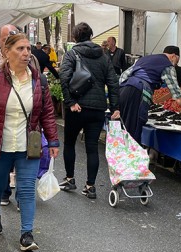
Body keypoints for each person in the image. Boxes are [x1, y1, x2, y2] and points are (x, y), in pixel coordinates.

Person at [0, 32, 60, 252]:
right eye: (20, 48)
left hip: (28, 146)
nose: (26, 53)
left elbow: (47, 113)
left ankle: (26, 234)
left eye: (28, 48)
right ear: (7, 52)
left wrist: (53, 141)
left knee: (27, 188)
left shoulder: (39, 80)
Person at [58, 22, 119, 200]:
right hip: (98, 108)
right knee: (92, 147)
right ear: (91, 36)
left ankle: (70, 179)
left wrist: (70, 102)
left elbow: (64, 77)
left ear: (75, 37)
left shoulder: (72, 54)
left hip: (77, 107)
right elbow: (113, 82)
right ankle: (90, 186)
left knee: (70, 143)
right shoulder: (103, 56)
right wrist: (115, 107)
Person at [119, 46, 181, 148]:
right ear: (173, 56)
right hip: (138, 93)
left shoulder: (144, 59)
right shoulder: (167, 65)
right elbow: (176, 93)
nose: (176, 64)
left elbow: (123, 76)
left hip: (124, 90)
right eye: (177, 61)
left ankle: (122, 155)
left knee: (124, 128)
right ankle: (132, 156)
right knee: (134, 129)